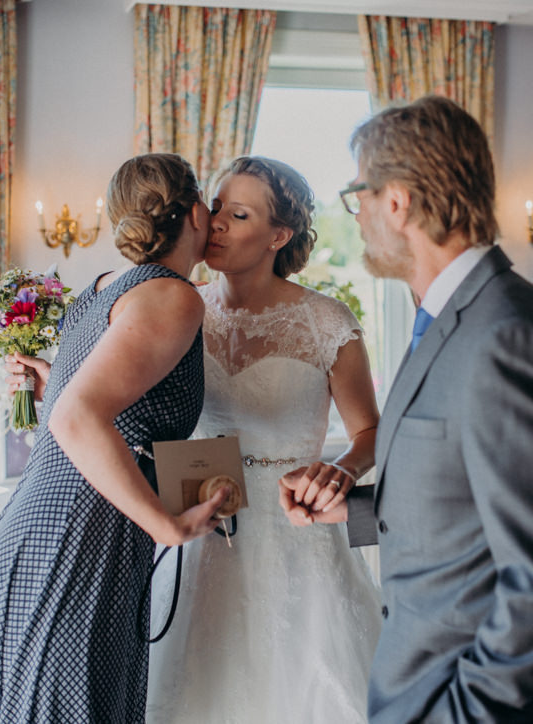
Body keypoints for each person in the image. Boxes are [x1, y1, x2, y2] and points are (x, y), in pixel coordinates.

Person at [280, 96, 533, 723]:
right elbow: (471, 508)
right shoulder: (446, 320)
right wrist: (360, 508)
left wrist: (463, 712)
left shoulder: (507, 333)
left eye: (359, 196)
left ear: (396, 202)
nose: (359, 216)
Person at [0, 153, 228, 724]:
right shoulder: (175, 296)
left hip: (43, 524)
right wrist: (165, 524)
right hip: (82, 536)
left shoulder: (101, 288)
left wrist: (53, 386)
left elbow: (85, 409)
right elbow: (76, 419)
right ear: (196, 211)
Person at [144, 156, 383, 723]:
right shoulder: (181, 307)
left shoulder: (326, 322)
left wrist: (342, 470)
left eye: (241, 214)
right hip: (202, 523)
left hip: (296, 528)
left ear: (280, 235)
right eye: (218, 205)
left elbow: (370, 431)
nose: (217, 222)